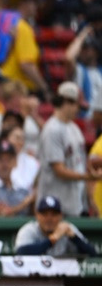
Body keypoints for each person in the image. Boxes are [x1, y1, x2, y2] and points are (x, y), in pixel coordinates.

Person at [37, 82, 102, 217]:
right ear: (66, 102)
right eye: (76, 105)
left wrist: (90, 199)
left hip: (75, 202)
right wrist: (88, 177)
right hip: (54, 206)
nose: (78, 110)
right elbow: (59, 170)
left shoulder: (74, 128)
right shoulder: (52, 129)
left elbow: (80, 164)